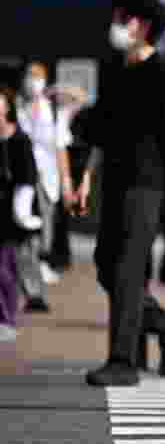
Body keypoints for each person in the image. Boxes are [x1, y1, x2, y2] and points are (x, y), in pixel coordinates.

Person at [77, 0, 165, 387]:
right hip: (114, 183)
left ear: (143, 25)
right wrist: (86, 177)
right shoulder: (114, 69)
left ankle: (122, 361)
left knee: (127, 271)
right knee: (108, 267)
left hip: (148, 186)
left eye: (124, 18)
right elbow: (102, 131)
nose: (118, 25)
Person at [17, 60, 80, 291]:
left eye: (38, 76)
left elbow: (61, 148)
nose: (33, 81)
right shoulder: (17, 106)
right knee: (20, 218)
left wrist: (66, 181)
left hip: (46, 176)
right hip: (21, 173)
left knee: (45, 220)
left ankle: (41, 262)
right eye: (30, 76)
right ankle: (23, 266)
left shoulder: (54, 110)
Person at [0, 87, 43, 342]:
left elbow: (27, 178)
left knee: (5, 268)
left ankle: (7, 318)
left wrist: (23, 213)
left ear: (7, 109)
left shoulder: (20, 140)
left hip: (12, 215)